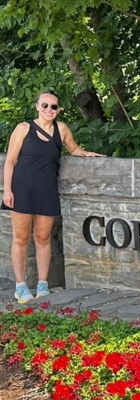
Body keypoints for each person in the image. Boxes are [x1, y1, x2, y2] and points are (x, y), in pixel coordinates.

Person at [2, 91, 104, 303]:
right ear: (37, 106)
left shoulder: (62, 129)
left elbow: (73, 149)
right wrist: (8, 191)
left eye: (54, 107)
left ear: (59, 110)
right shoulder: (23, 129)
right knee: (21, 238)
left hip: (47, 190)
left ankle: (42, 285)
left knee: (43, 238)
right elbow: (10, 161)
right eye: (45, 105)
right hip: (22, 189)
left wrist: (85, 153)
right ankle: (20, 286)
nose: (49, 110)